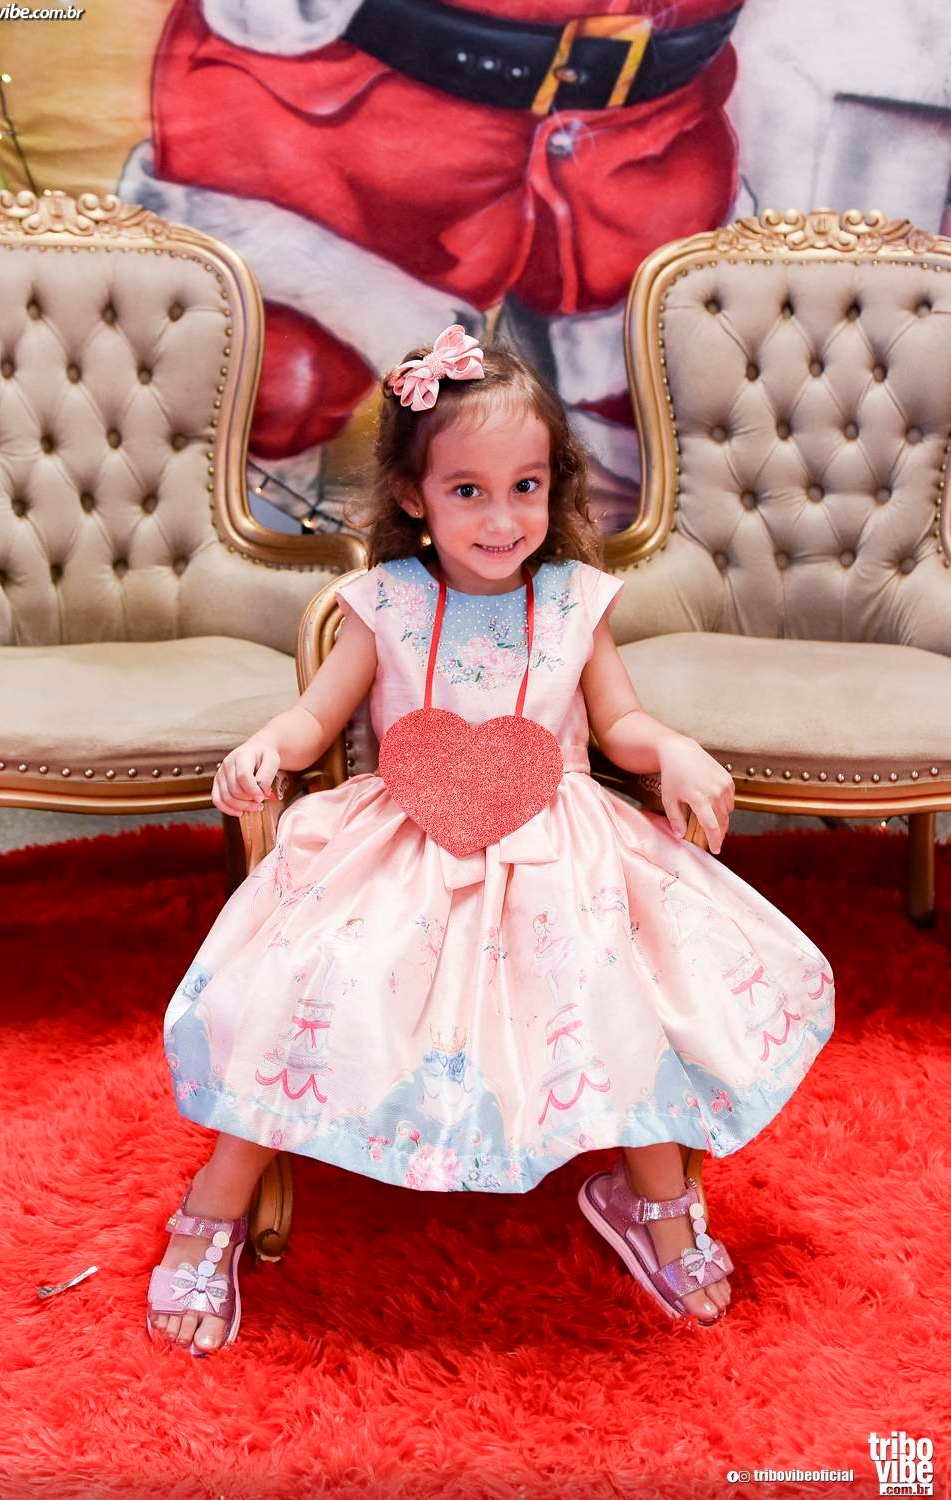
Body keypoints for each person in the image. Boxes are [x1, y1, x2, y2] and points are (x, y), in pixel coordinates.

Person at [146, 327, 835, 1356]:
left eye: (524, 487)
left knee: (619, 976)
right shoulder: (383, 604)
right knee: (313, 976)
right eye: (467, 490)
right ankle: (217, 1199)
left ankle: (646, 1195)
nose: (501, 517)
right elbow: (316, 718)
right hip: (401, 845)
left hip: (561, 848)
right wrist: (266, 749)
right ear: (414, 495)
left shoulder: (575, 603)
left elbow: (618, 724)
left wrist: (673, 749)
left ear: (554, 488)